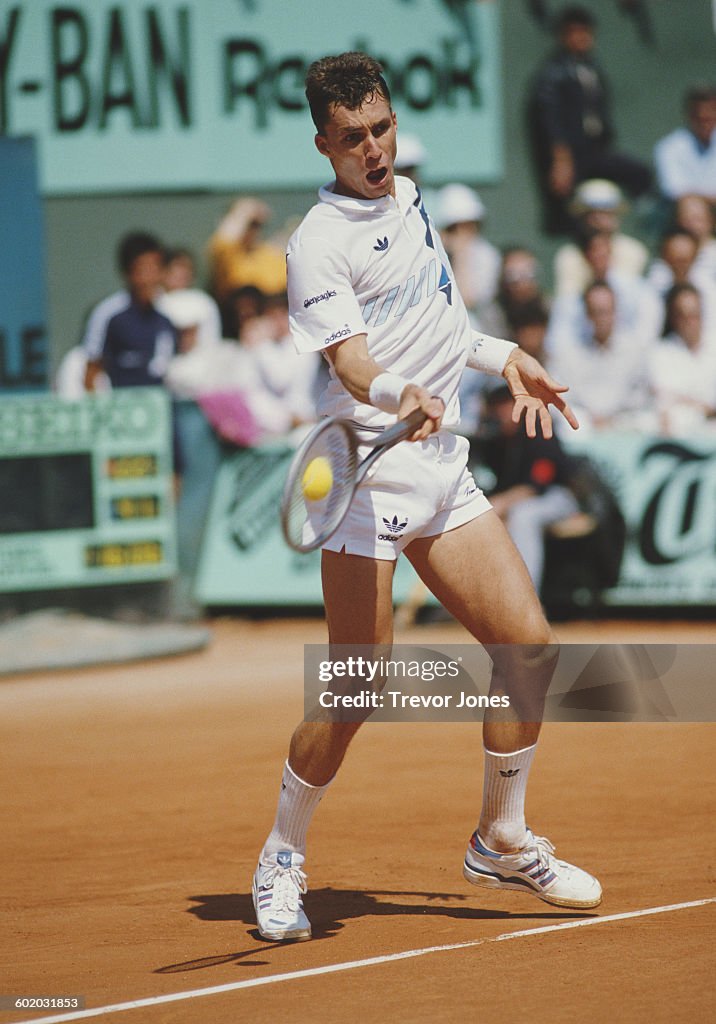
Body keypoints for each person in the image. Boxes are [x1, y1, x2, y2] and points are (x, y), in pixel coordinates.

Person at [252, 51, 602, 945]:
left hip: (441, 467)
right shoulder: (317, 242)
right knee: (355, 687)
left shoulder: (411, 201)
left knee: (526, 647)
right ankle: (282, 856)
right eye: (353, 137)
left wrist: (503, 357)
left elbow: (441, 323)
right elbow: (353, 361)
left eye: (383, 128)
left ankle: (502, 835)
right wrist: (392, 395)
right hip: (366, 479)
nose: (373, 148)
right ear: (323, 143)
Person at [527, 5, 651, 234]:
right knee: (569, 212)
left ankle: (646, 223)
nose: (581, 38)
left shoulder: (592, 68)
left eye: (585, 32)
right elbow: (549, 117)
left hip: (597, 150)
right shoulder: (553, 73)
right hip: (572, 155)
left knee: (639, 174)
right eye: (574, 32)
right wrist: (561, 158)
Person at [553, 179, 649, 297]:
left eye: (606, 213)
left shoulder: (634, 250)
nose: (599, 221)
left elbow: (632, 299)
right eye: (592, 214)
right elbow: (567, 302)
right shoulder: (568, 255)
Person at [433, 183, 501, 317]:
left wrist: (461, 256)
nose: (462, 233)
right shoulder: (430, 253)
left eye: (468, 226)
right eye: (454, 228)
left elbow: (467, 300)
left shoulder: (487, 255)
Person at [206, 197, 287, 303]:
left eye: (256, 225)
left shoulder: (272, 255)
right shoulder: (226, 252)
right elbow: (222, 241)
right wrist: (242, 214)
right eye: (248, 223)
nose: (251, 230)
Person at [653, 86, 716, 207]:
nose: (705, 124)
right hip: (686, 216)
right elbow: (675, 193)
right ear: (689, 115)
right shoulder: (669, 147)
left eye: (710, 118)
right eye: (699, 118)